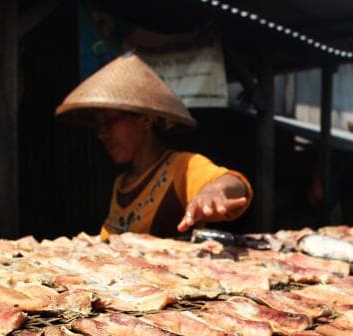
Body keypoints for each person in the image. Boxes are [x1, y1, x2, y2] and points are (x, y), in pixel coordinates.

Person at [55, 53, 252, 238]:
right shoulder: (121, 183)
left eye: (109, 121)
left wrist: (214, 191)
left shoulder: (180, 167)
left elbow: (232, 183)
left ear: (145, 121)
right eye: (100, 125)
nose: (102, 133)